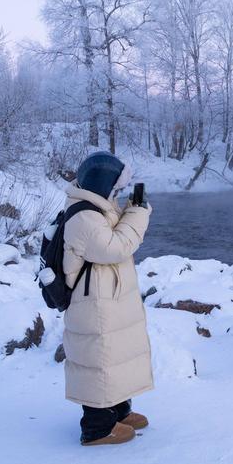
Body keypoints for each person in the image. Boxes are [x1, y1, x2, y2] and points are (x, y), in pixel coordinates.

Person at [62, 151, 153, 446]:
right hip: (94, 303)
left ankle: (119, 411)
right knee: (100, 359)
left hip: (107, 297)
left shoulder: (97, 207)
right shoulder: (84, 217)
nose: (119, 193)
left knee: (116, 356)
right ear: (103, 184)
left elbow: (113, 235)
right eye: (116, 188)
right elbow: (115, 247)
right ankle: (97, 428)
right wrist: (138, 214)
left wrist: (128, 210)